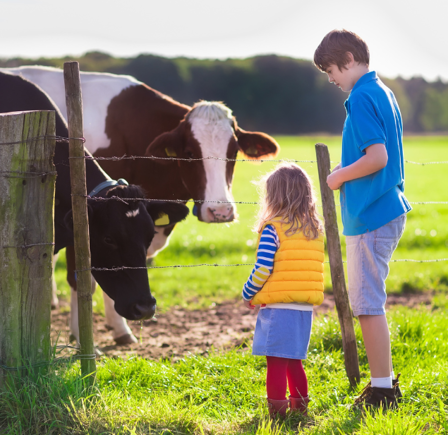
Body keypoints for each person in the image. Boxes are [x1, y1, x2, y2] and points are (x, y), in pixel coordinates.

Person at [313, 29, 411, 409]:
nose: (330, 78)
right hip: (382, 207)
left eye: (331, 70)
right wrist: (348, 168)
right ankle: (382, 383)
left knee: (367, 305)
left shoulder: (361, 96)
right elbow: (373, 155)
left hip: (371, 213)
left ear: (349, 58)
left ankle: (383, 390)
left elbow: (378, 158)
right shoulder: (382, 91)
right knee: (368, 302)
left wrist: (338, 176)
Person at [242, 163, 325, 418]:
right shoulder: (313, 229)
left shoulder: (273, 228)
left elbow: (263, 268)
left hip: (278, 309)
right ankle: (299, 409)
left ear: (273, 197)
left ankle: (277, 414)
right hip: (304, 308)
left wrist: (248, 292)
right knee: (294, 361)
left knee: (275, 362)